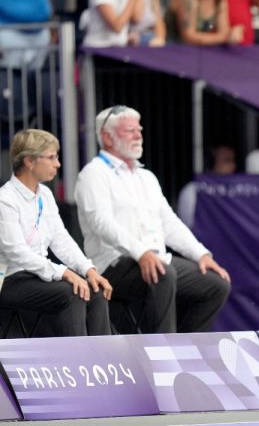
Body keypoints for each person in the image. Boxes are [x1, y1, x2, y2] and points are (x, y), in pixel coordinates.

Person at [74, 105, 232, 334]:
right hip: (112, 265)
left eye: (139, 130)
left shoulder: (146, 177)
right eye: (130, 131)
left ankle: (185, 349)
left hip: (155, 259)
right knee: (163, 275)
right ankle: (161, 353)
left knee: (216, 284)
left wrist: (201, 254)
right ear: (107, 137)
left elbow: (169, 222)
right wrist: (141, 252)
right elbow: (102, 223)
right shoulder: (93, 173)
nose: (138, 135)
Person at [0, 129, 112, 337]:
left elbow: (61, 240)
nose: (58, 164)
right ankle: (76, 363)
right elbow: (17, 253)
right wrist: (64, 272)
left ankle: (101, 362)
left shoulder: (46, 194)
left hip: (37, 274)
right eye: (51, 157)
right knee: (74, 292)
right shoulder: (5, 199)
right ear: (29, 161)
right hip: (9, 278)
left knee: (94, 290)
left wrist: (88, 270)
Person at [177, 144, 237, 229]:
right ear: (211, 162)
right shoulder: (193, 190)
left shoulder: (237, 191)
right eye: (227, 160)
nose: (233, 166)